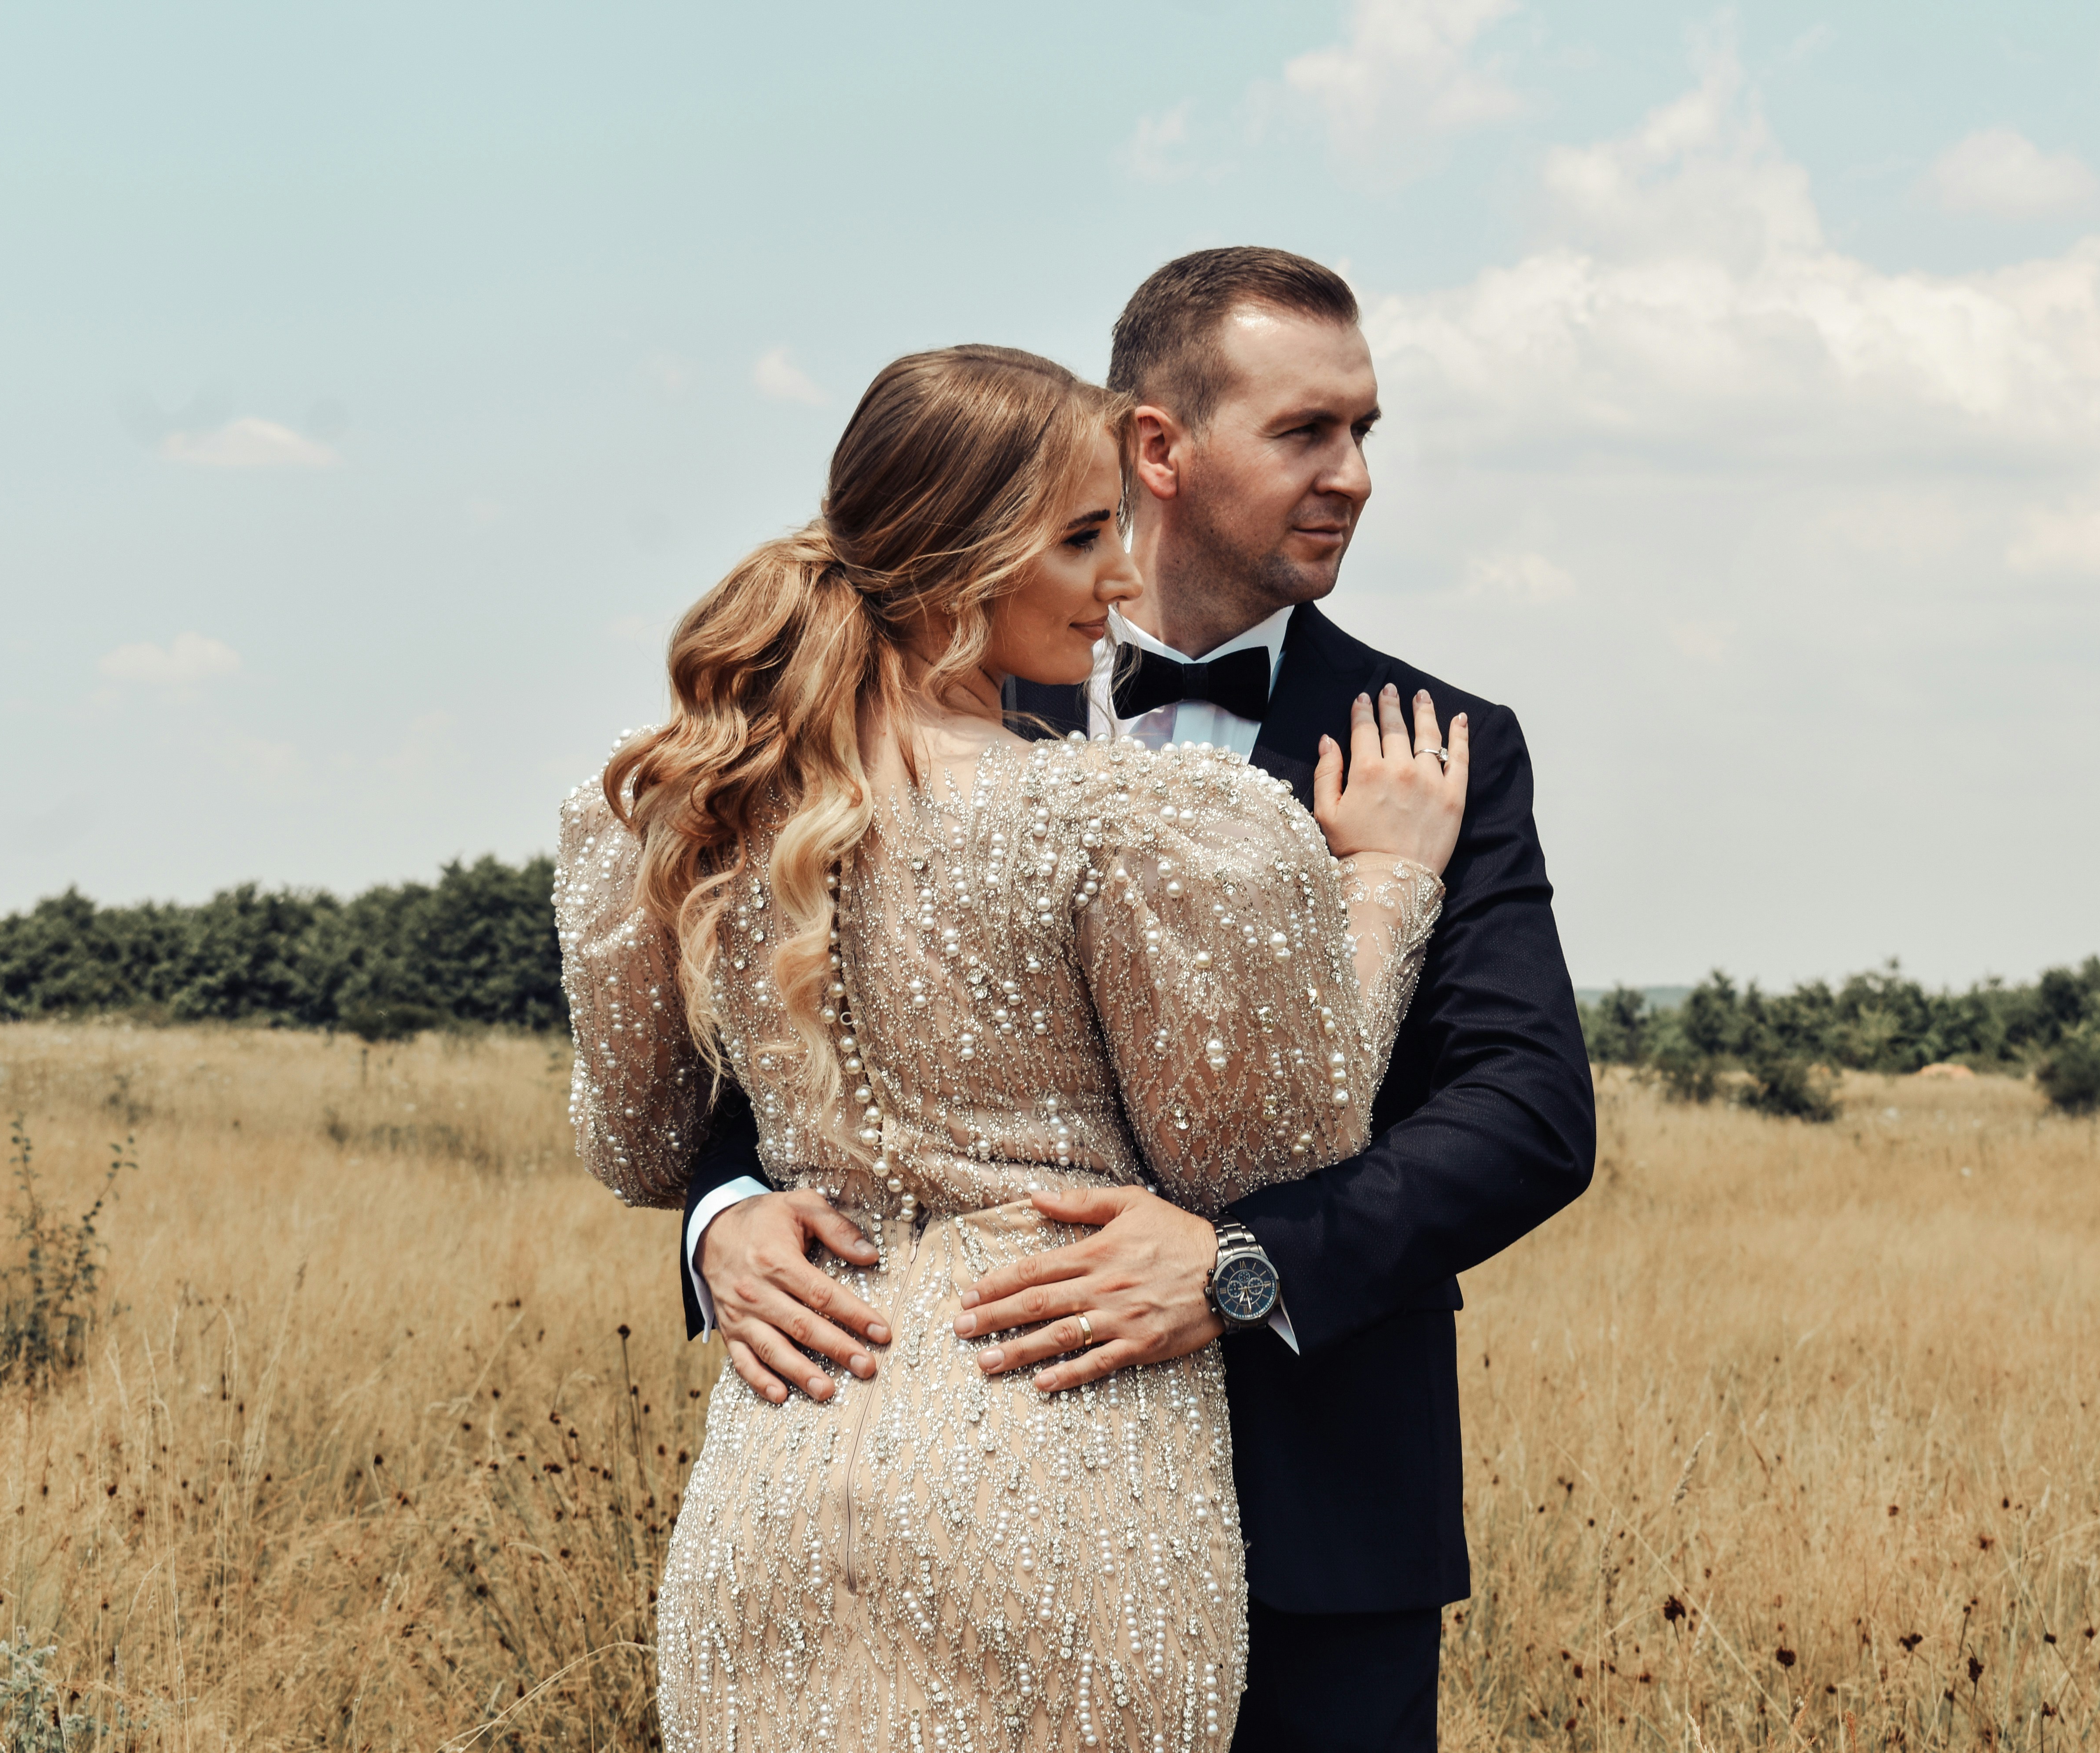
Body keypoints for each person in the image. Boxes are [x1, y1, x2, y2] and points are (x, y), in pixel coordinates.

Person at [675, 249, 1599, 1750]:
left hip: (1324, 1538)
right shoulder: (921, 707)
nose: (1355, 476)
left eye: (1368, 432)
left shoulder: (1439, 744)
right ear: (1158, 448)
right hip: (947, 1515)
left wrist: (1242, 1266)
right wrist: (727, 1217)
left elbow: (1528, 1110)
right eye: (1308, 432)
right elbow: (746, 1052)